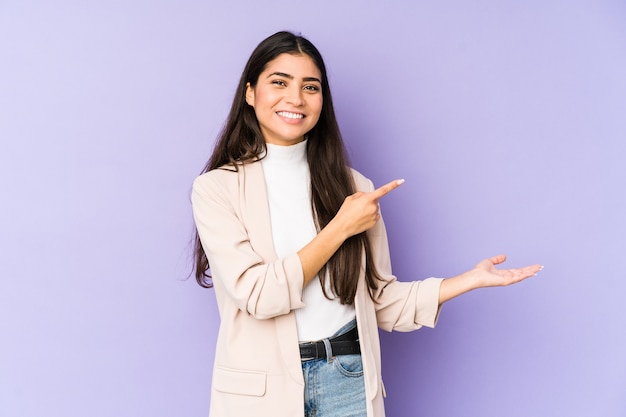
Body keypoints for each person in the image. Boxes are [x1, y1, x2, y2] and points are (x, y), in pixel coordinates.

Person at [191, 31, 542, 417]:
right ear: (250, 93)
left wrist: (467, 280)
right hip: (260, 392)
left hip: (349, 379)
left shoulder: (355, 188)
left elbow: (379, 301)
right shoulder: (215, 189)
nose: (295, 98)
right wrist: (339, 227)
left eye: (311, 87)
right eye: (279, 82)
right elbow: (259, 295)